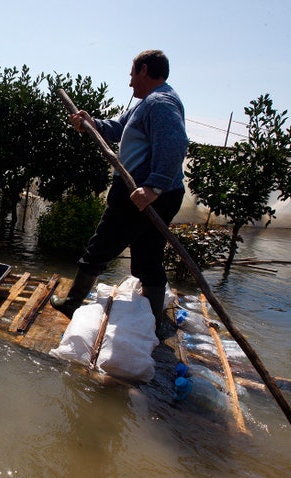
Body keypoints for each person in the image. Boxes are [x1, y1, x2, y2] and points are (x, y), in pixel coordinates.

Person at [50, 49, 188, 338]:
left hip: (139, 192)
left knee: (100, 247)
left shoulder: (160, 102)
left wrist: (153, 187)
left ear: (144, 70)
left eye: (132, 74)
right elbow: (117, 128)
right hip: (151, 192)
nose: (130, 82)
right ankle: (155, 322)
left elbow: (175, 144)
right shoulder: (146, 104)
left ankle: (72, 302)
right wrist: (92, 124)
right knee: (148, 257)